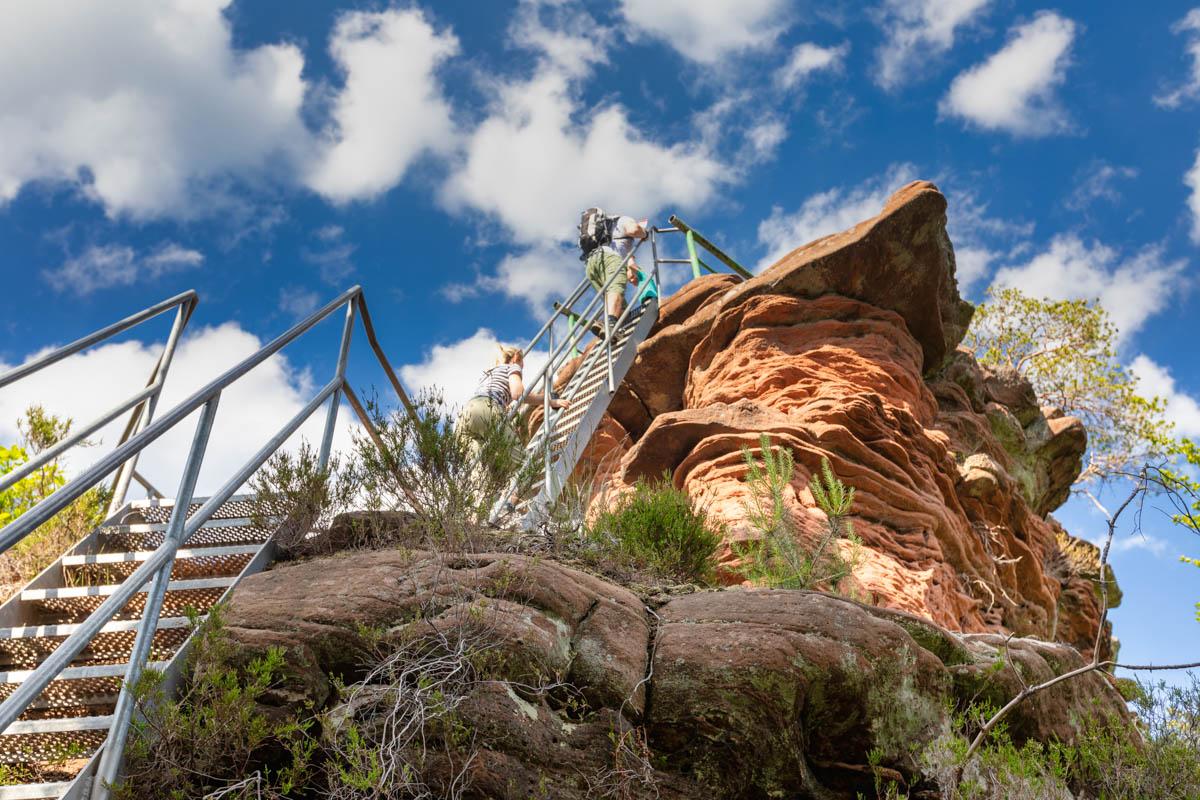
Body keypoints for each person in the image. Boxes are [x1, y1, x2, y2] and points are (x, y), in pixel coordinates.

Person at [456, 345, 568, 462]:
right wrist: (550, 401)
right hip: (486, 408)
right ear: (516, 357)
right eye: (522, 364)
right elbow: (518, 394)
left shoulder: (490, 373)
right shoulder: (513, 367)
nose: (521, 368)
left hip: (465, 414)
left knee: (479, 468)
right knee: (522, 465)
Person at [579, 210, 649, 331]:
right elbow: (634, 230)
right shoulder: (623, 220)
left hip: (591, 264)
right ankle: (609, 324)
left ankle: (610, 325)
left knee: (618, 304)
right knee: (616, 288)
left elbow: (630, 265)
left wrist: (635, 274)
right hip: (609, 259)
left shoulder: (617, 238)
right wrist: (645, 234)